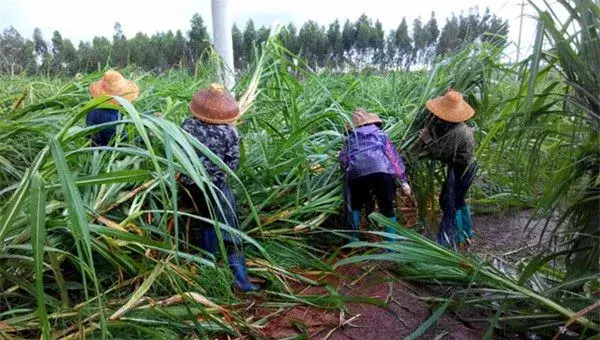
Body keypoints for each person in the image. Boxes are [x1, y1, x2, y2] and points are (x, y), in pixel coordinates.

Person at [178, 83, 258, 292]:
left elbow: (179, 153)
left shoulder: (187, 125)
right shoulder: (229, 132)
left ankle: (208, 272)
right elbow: (231, 164)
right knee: (229, 227)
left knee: (206, 222)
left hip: (190, 185)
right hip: (215, 186)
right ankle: (241, 279)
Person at [411, 89, 478, 250]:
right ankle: (466, 233)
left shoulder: (457, 132)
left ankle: (452, 237)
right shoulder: (459, 126)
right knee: (458, 199)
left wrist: (427, 139)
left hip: (462, 168)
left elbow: (441, 152)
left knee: (449, 201)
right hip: (467, 166)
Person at [339, 108, 411, 242]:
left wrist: (349, 168)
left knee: (355, 205)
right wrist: (403, 180)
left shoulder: (349, 139)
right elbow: (393, 158)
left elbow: (343, 159)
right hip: (381, 171)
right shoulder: (380, 134)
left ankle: (352, 242)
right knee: (387, 207)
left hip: (357, 174)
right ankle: (392, 245)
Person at [86, 70, 140, 146]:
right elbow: (124, 140)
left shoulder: (95, 105)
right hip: (105, 153)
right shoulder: (108, 116)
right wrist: (149, 135)